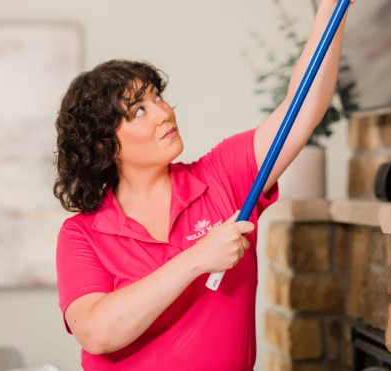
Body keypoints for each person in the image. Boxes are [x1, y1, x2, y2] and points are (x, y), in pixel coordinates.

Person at [53, 0, 354, 369]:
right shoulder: (82, 235)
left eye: (157, 97)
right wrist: (196, 259)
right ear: (105, 145)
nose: (164, 113)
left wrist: (330, 8)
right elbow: (97, 333)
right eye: (139, 111)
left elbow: (302, 107)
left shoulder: (222, 177)